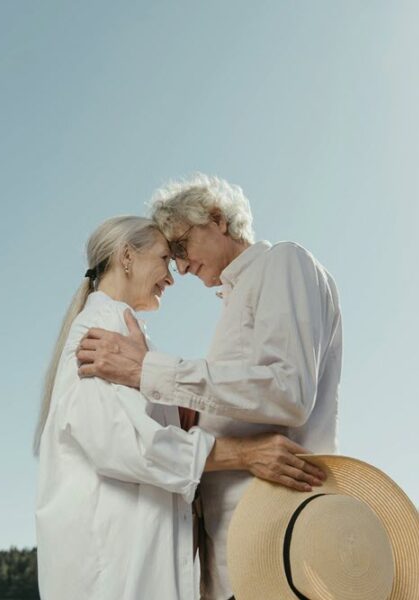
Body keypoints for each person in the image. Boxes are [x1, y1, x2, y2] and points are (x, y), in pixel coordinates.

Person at [76, 176, 343, 600]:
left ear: (217, 219)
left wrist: (149, 370)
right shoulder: (236, 300)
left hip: (279, 544)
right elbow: (244, 399)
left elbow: (288, 390)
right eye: (172, 256)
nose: (180, 268)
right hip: (234, 558)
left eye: (181, 247)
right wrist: (186, 413)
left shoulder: (283, 263)